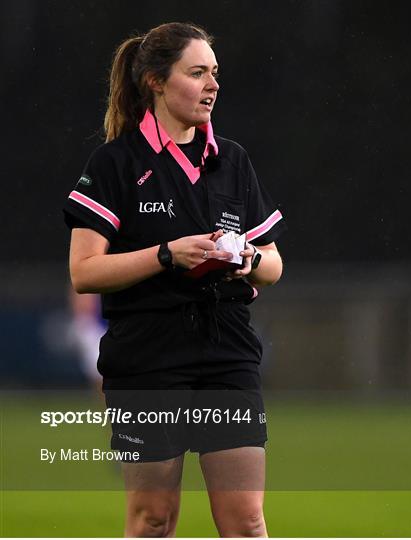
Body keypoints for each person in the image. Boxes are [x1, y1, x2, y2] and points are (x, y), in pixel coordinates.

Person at [64, 22, 286, 538]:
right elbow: (84, 272)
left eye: (215, 73)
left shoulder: (232, 160)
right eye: (197, 72)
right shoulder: (116, 162)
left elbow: (274, 264)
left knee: (247, 522)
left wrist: (246, 258)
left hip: (226, 349)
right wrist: (166, 255)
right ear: (156, 82)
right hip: (148, 354)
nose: (212, 85)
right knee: (153, 520)